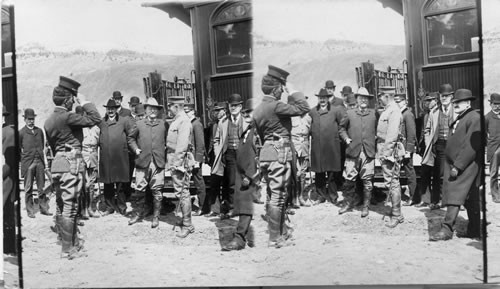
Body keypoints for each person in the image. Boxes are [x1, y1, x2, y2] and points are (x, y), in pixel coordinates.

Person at [44, 76, 101, 259]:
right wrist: (84, 101)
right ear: (69, 100)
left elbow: (53, 146)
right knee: (70, 205)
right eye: (72, 98)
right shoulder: (67, 116)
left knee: (61, 203)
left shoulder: (49, 120)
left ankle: (67, 242)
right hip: (71, 161)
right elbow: (95, 118)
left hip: (58, 162)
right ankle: (68, 250)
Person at [253, 65, 310, 247]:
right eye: (281, 88)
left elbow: (260, 136)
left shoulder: (259, 109)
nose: (282, 91)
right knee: (278, 195)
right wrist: (292, 90)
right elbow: (303, 107)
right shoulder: (276, 105)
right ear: (277, 89)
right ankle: (274, 238)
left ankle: (282, 233)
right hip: (280, 152)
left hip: (268, 151)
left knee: (273, 193)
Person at [430, 89, 482, 241]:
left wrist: (458, 166)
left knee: (454, 194)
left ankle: (447, 230)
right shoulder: (465, 116)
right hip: (461, 164)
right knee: (471, 198)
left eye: (459, 102)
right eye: (455, 102)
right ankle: (474, 231)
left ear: (468, 102)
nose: (456, 105)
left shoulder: (474, 118)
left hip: (466, 165)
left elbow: (471, 146)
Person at [222, 98, 258, 251]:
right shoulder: (249, 129)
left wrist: (250, 175)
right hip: (243, 174)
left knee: (246, 205)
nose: (247, 114)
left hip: (250, 176)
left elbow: (260, 155)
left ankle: (239, 238)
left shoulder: (258, 132)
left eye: (250, 111)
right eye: (245, 112)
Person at [128, 98, 169, 228]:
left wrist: (166, 152)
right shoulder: (139, 124)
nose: (152, 110)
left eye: (155, 108)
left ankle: (156, 217)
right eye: (150, 108)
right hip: (142, 161)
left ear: (158, 111)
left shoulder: (163, 124)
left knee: (157, 190)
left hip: (158, 162)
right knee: (139, 188)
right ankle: (138, 214)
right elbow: (130, 138)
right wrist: (135, 149)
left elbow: (169, 140)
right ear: (145, 110)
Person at [338, 87, 377, 217]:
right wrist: (346, 138)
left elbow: (379, 129)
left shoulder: (373, 114)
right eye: (361, 98)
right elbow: (341, 128)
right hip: (352, 151)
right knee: (349, 179)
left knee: (367, 181)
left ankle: (366, 207)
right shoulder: (349, 113)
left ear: (369, 100)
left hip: (368, 152)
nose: (363, 100)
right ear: (357, 99)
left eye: (366, 98)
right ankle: (348, 204)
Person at [98, 99, 135, 216]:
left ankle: (122, 207)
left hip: (120, 158)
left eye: (113, 109)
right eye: (108, 109)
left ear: (116, 109)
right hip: (107, 158)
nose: (110, 111)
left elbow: (131, 136)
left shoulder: (124, 121)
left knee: (121, 185)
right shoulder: (102, 122)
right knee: (108, 184)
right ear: (106, 110)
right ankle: (110, 207)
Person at [309, 88, 345, 205]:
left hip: (332, 147)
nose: (322, 100)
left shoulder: (336, 111)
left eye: (324, 98)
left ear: (328, 99)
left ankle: (333, 197)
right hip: (318, 147)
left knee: (332, 174)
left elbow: (342, 126)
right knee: (319, 173)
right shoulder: (313, 112)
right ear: (318, 99)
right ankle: (321, 196)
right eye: (320, 98)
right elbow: (309, 128)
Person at [166, 98, 195, 237]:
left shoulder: (183, 121)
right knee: (180, 192)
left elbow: (182, 145)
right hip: (175, 159)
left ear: (176, 106)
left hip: (179, 162)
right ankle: (185, 220)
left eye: (170, 106)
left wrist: (176, 164)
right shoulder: (178, 119)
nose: (169, 109)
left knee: (182, 192)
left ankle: (188, 225)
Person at [376, 86, 404, 228]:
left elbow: (392, 135)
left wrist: (386, 154)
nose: (379, 99)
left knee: (392, 182)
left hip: (389, 152)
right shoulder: (389, 109)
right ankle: (397, 212)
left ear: (387, 96)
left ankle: (396, 215)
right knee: (391, 182)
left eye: (380, 96)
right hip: (384, 149)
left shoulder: (394, 111)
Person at [216, 93, 245, 217]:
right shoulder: (223, 121)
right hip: (229, 154)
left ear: (240, 107)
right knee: (231, 182)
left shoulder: (246, 120)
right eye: (231, 106)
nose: (233, 108)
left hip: (243, 154)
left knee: (245, 180)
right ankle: (232, 207)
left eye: (236, 105)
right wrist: (219, 152)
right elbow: (216, 139)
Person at [19, 108, 51, 218]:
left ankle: (43, 208)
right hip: (28, 164)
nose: (31, 121)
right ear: (25, 119)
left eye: (32, 119)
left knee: (41, 187)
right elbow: (18, 149)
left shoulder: (39, 131)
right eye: (29, 119)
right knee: (28, 188)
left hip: (39, 162)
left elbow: (42, 145)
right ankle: (30, 210)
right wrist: (24, 160)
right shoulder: (21, 133)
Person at [428, 83, 456, 210]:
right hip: (439, 145)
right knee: (439, 173)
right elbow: (427, 129)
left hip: (453, 144)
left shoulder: (456, 110)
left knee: (455, 172)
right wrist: (429, 142)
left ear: (451, 97)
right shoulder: (434, 111)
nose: (444, 98)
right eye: (441, 96)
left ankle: (455, 200)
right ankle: (438, 200)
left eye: (446, 96)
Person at [75, 106, 100, 219]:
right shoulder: (81, 128)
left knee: (91, 185)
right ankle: (83, 209)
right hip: (83, 156)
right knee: (83, 184)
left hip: (93, 156)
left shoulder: (97, 129)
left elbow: (99, 144)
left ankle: (90, 208)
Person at [203, 102, 228, 216]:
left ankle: (225, 209)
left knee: (226, 185)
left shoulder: (229, 123)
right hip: (214, 159)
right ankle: (215, 209)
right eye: (215, 110)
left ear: (224, 110)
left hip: (225, 158)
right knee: (214, 184)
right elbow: (210, 141)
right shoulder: (213, 125)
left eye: (219, 110)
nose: (217, 113)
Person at [183, 103, 207, 216]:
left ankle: (203, 206)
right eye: (185, 111)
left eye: (187, 111)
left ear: (193, 111)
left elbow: (200, 143)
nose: (185, 113)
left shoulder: (196, 124)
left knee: (199, 181)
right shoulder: (189, 123)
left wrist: (198, 160)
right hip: (189, 157)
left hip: (195, 159)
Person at [394, 93, 417, 206]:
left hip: (405, 149)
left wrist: (409, 150)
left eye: (399, 101)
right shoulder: (399, 113)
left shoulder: (407, 114)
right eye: (395, 101)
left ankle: (413, 197)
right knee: (398, 172)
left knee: (409, 172)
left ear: (404, 102)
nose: (397, 103)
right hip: (399, 148)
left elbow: (411, 133)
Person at [290, 95, 312, 208]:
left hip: (304, 147)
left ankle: (301, 197)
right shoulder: (291, 117)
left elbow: (311, 133)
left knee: (303, 174)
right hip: (294, 147)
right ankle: (294, 199)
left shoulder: (309, 117)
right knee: (295, 174)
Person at [485, 93, 500, 203]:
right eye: (494, 104)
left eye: (499, 104)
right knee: (493, 173)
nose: (497, 106)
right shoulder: (487, 117)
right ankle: (495, 195)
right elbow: (483, 134)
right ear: (490, 104)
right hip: (494, 149)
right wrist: (488, 145)